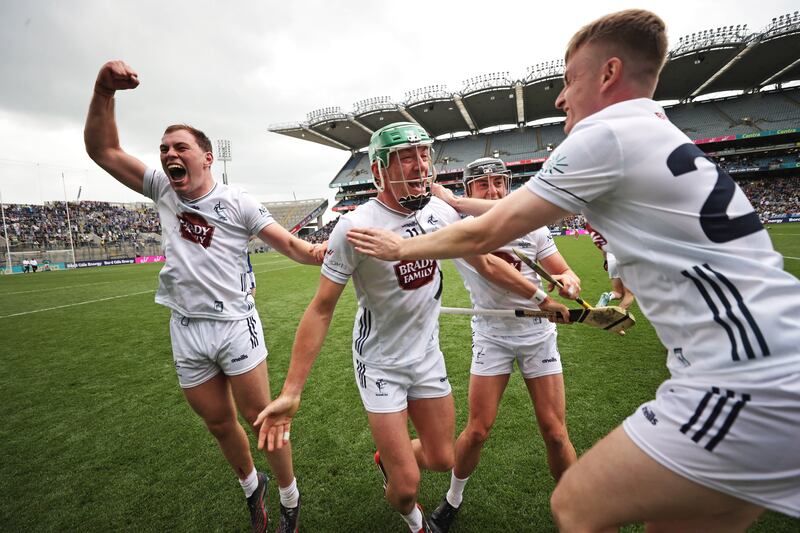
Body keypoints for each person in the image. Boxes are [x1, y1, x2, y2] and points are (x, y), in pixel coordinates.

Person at [346, 10, 800, 530]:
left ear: (608, 75)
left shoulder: (604, 135)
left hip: (746, 377)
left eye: (569, 81)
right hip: (776, 356)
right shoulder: (657, 131)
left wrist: (400, 247)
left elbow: (485, 233)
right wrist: (617, 297)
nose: (561, 98)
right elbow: (609, 250)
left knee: (575, 505)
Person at [254, 122, 569, 533]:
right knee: (406, 488)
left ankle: (390, 457)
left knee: (444, 459)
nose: (420, 166)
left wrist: (542, 300)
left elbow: (487, 262)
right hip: (380, 363)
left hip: (426, 356)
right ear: (380, 169)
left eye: (424, 156)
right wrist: (292, 391)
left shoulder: (440, 212)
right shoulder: (355, 227)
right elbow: (321, 308)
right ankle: (416, 521)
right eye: (407, 157)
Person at [84, 60, 326, 533]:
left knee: (262, 420)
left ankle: (289, 499)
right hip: (185, 328)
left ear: (207, 157)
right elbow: (103, 148)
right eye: (163, 148)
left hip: (235, 324)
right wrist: (103, 91)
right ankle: (252, 489)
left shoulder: (238, 202)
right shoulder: (161, 188)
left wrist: (323, 251)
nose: (168, 154)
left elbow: (293, 246)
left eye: (180, 147)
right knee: (219, 424)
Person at [427, 158, 579, 532]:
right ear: (468, 191)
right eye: (484, 185)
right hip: (492, 335)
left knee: (556, 433)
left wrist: (569, 282)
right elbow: (491, 268)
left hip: (538, 337)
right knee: (478, 430)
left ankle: (577, 504)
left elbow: (562, 269)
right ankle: (453, 498)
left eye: (499, 183)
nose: (494, 191)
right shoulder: (464, 229)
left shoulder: (533, 225)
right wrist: (544, 300)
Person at [586, 223, 634, 309]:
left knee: (618, 293)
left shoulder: (606, 230)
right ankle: (616, 319)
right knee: (629, 295)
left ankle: (608, 296)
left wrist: (606, 261)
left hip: (611, 260)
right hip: (624, 259)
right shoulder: (626, 227)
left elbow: (604, 250)